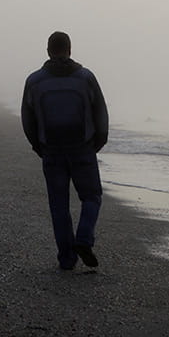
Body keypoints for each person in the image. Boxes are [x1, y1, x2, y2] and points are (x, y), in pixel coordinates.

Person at [21, 31, 109, 270]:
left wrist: (38, 146)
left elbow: (27, 119)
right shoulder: (85, 78)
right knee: (91, 197)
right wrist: (97, 143)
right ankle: (84, 238)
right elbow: (100, 112)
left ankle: (67, 258)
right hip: (83, 149)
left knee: (59, 205)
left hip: (52, 151)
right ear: (70, 50)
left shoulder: (34, 81)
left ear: (48, 51)